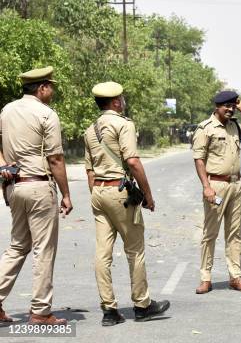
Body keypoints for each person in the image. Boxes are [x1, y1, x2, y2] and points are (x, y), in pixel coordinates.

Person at [84, 81, 169, 326]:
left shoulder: (90, 129)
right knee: (135, 250)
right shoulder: (123, 124)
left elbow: (89, 170)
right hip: (119, 194)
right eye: (121, 98)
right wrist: (148, 196)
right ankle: (142, 305)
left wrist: (99, 193)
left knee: (102, 253)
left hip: (98, 192)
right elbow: (132, 161)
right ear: (116, 102)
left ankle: (109, 311)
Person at [0, 67, 72, 325]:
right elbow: (55, 159)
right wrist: (66, 194)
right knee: (43, 249)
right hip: (39, 186)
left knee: (18, 246)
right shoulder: (46, 114)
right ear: (41, 88)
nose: (52, 91)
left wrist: (3, 166)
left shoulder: (6, 110)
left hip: (13, 187)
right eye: (50, 86)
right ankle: (41, 311)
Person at [192, 91, 241, 294]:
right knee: (210, 234)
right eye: (227, 106)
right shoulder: (205, 128)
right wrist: (206, 187)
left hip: (236, 185)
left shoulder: (236, 126)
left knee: (235, 234)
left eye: (233, 106)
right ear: (217, 106)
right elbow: (199, 159)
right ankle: (205, 278)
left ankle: (235, 277)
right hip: (216, 185)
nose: (230, 109)